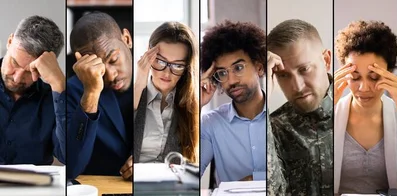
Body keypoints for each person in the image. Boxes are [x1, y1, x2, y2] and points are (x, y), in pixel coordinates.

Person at [266, 19, 333, 195]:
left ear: (326, 60)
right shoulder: (272, 128)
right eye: (283, 75)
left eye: (304, 69)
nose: (297, 86)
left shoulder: (360, 113)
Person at [331, 20, 397, 194]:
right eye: (355, 77)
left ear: (389, 73)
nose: (364, 88)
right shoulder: (330, 113)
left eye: (374, 77)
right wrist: (324, 110)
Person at [66, 12, 134, 180]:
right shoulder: (72, 92)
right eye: (99, 68)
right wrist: (91, 93)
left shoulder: (158, 80)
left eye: (114, 59)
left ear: (127, 39)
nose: (110, 75)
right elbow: (72, 168)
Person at [200, 21, 267, 183]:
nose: (231, 81)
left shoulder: (285, 118)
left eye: (238, 68)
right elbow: (185, 174)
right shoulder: (210, 124)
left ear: (259, 67)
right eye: (222, 73)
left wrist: (255, 179)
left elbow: (302, 174)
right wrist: (195, 104)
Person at [0, 15, 66, 165]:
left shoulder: (54, 99)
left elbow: (67, 157)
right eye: (14, 62)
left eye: (30, 72)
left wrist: (59, 84)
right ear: (10, 41)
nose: (17, 78)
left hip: (37, 188)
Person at [133, 22, 199, 164]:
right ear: (148, 54)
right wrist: (139, 81)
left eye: (178, 65)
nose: (167, 73)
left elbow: (191, 161)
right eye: (161, 61)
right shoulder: (133, 94)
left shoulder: (190, 105)